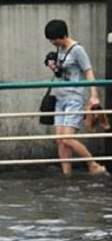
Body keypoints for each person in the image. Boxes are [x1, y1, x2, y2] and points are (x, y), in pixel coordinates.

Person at [43, 19, 107, 176]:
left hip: (74, 98)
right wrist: (54, 67)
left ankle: (92, 164)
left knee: (67, 138)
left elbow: (88, 71)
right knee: (60, 139)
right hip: (60, 97)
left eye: (54, 39)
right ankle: (67, 174)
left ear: (64, 35)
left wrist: (94, 95)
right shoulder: (60, 49)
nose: (53, 43)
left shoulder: (78, 50)